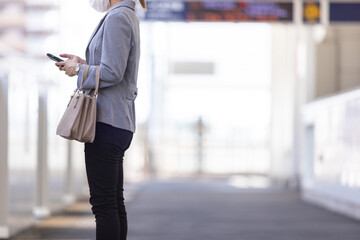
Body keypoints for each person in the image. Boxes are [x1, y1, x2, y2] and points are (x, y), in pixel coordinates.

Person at [56, 0, 146, 239]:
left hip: (107, 121)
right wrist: (83, 63)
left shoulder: (118, 17)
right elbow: (114, 67)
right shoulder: (127, 14)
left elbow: (113, 73)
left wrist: (77, 71)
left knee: (104, 205)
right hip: (118, 122)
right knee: (113, 202)